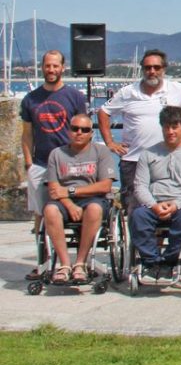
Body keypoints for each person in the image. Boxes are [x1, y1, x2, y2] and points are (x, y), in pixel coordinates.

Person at [98, 49, 181, 211]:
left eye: (156, 67)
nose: (152, 71)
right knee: (134, 210)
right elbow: (103, 112)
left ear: (164, 69)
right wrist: (110, 142)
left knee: (166, 211)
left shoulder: (175, 88)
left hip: (167, 161)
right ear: (142, 69)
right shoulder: (128, 92)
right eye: (148, 68)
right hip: (133, 160)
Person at [20, 50, 88, 280]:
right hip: (40, 163)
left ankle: (75, 262)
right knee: (40, 215)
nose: (51, 70)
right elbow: (27, 134)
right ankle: (43, 262)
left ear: (63, 68)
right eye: (47, 66)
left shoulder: (75, 97)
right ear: (42, 67)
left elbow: (84, 130)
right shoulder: (30, 99)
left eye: (55, 66)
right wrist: (29, 162)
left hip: (68, 164)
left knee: (73, 212)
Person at [129, 106, 181, 281]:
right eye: (166, 127)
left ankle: (170, 260)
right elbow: (140, 185)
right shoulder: (148, 154)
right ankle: (151, 261)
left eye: (175, 127)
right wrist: (153, 205)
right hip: (155, 202)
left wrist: (177, 205)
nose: (170, 131)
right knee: (138, 217)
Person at [41, 113, 116, 284]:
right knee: (50, 210)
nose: (79, 133)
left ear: (91, 133)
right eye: (75, 129)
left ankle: (80, 262)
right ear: (69, 131)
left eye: (85, 130)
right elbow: (53, 188)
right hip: (63, 202)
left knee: (94, 209)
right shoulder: (56, 154)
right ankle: (65, 264)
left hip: (93, 199)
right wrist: (69, 204)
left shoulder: (101, 152)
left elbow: (105, 186)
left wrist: (70, 191)